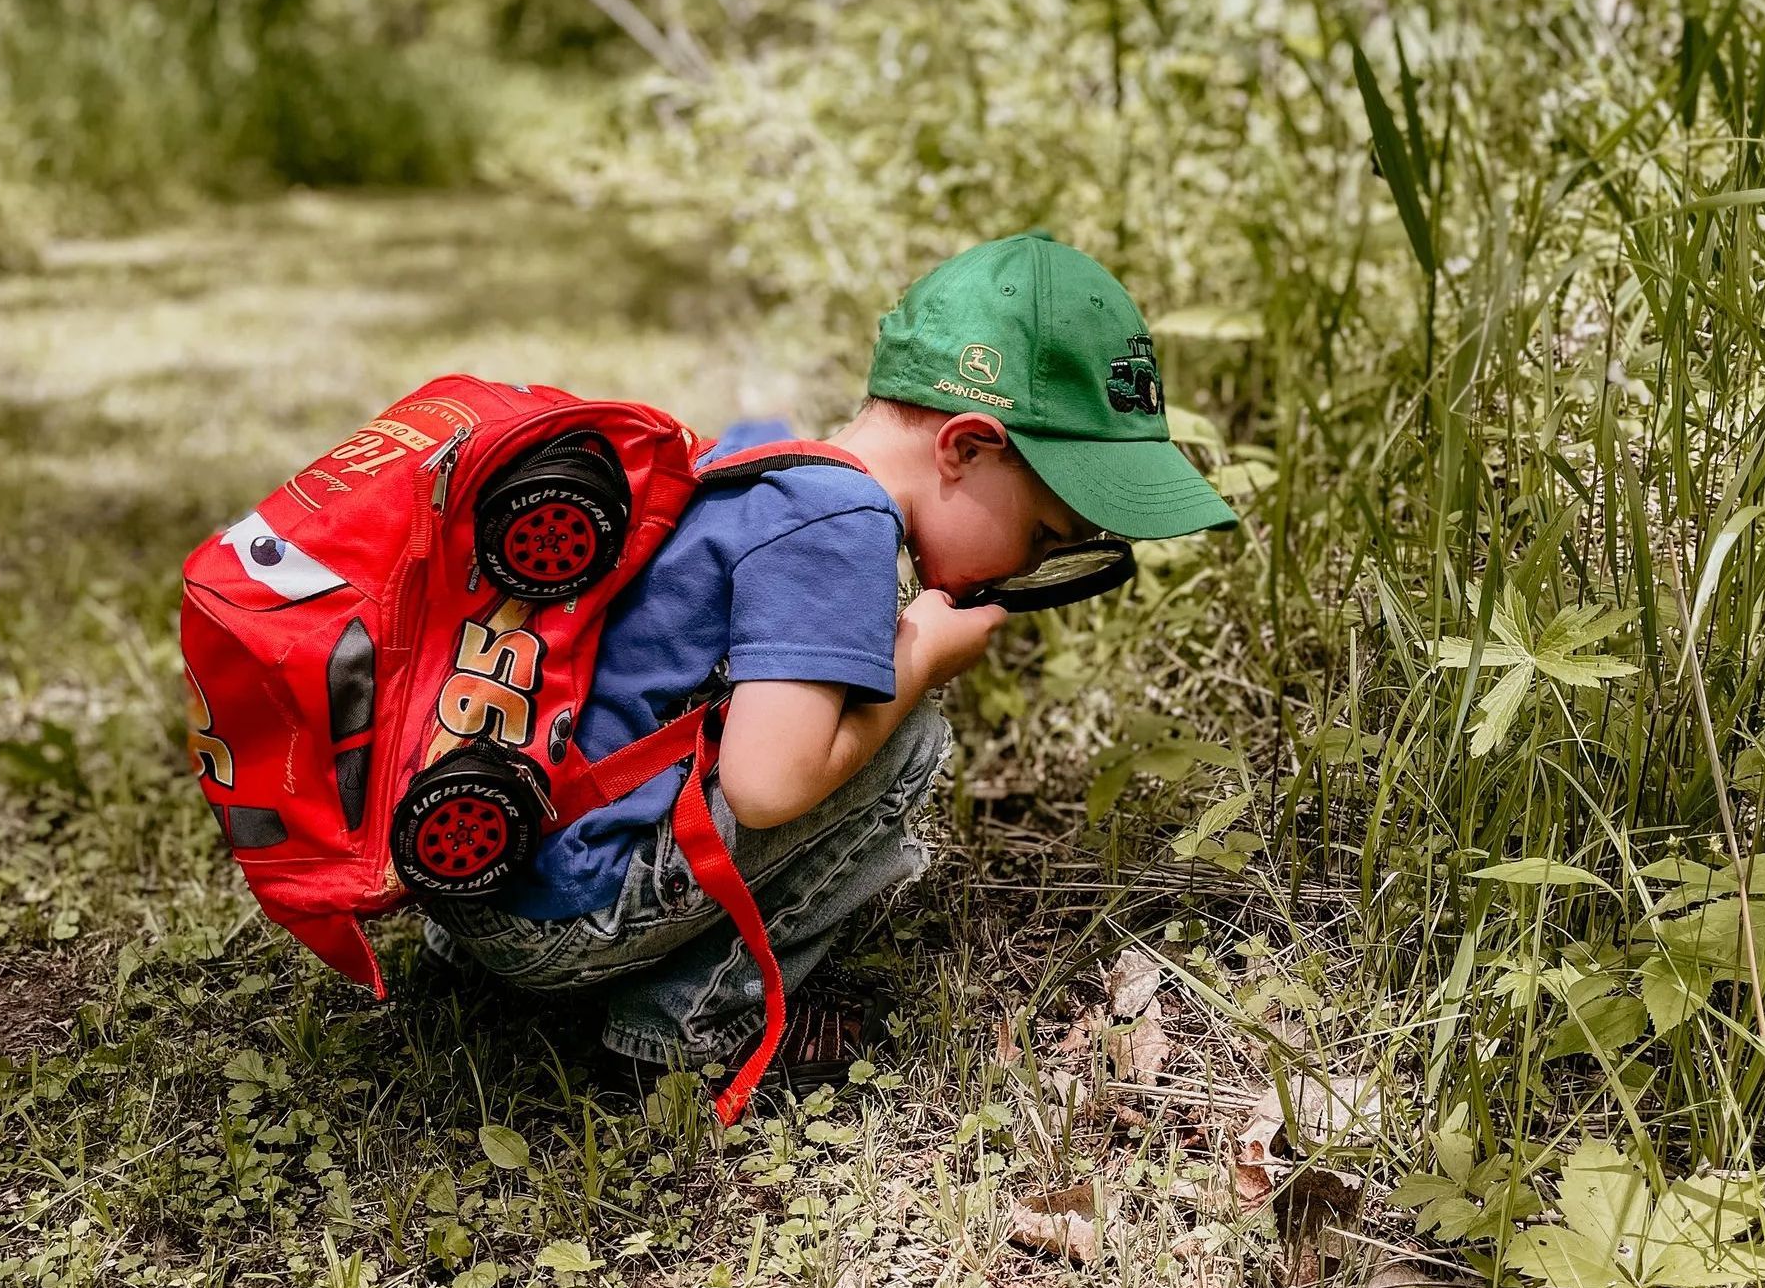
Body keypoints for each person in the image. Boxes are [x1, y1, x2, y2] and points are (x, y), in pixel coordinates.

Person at [419, 229, 1239, 1083]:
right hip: (562, 917)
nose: (1028, 570)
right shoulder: (844, 525)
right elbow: (767, 787)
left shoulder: (768, 464)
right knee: (908, 738)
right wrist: (916, 660)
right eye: (1040, 535)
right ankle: (685, 1031)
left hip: (482, 873)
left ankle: (462, 962)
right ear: (963, 447)